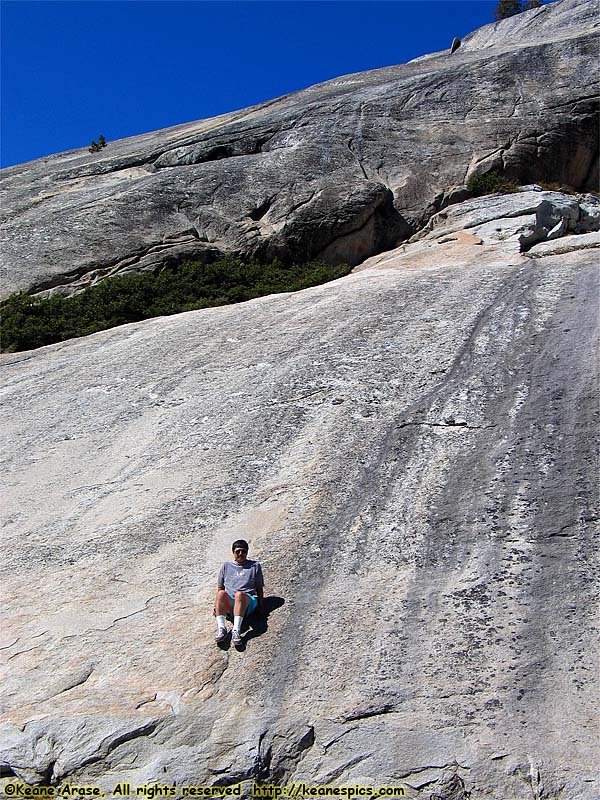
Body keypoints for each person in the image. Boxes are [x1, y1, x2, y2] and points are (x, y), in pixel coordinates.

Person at [215, 539, 264, 644]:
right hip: (231, 602)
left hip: (248, 602)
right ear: (233, 552)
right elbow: (220, 588)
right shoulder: (226, 566)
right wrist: (218, 607)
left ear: (247, 552)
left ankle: (236, 630)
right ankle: (221, 629)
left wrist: (261, 605)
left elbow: (259, 587)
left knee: (239, 595)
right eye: (238, 551)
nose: (240, 554)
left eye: (243, 551)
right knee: (221, 594)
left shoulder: (255, 566)